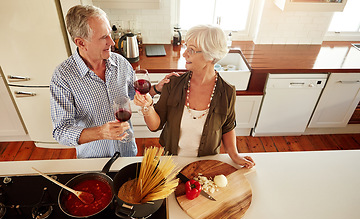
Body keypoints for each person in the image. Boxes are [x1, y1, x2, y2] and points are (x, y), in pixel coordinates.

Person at [50, 5, 169, 158]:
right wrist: (100, 132)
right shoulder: (63, 77)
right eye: (103, 37)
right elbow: (60, 131)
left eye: (110, 35)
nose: (112, 42)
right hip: (93, 161)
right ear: (81, 43)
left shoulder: (120, 63)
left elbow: (134, 94)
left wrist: (155, 89)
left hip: (128, 153)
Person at [134, 24, 255, 168]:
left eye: (191, 50)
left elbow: (228, 127)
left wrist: (235, 155)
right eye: (186, 47)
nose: (184, 54)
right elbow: (155, 126)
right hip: (172, 162)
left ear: (210, 56)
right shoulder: (173, 84)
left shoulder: (227, 92)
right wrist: (147, 106)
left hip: (207, 164)